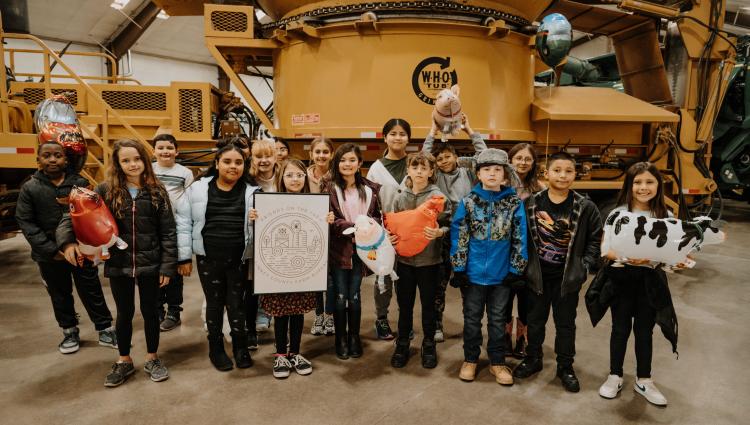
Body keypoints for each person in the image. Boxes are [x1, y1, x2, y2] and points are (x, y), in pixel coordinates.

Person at [58, 139, 176, 387]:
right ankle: (124, 360)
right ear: (118, 164)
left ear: (145, 160)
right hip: (118, 264)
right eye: (126, 160)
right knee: (124, 313)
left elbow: (168, 232)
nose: (133, 164)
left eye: (137, 159)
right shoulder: (104, 190)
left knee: (151, 312)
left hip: (150, 264)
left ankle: (153, 358)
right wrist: (68, 243)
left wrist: (167, 266)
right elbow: (72, 217)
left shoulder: (157, 191)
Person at [16, 141, 117, 354]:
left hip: (81, 251)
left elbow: (89, 215)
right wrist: (52, 250)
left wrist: (88, 244)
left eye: (57, 155)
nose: (53, 159)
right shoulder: (30, 188)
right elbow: (26, 223)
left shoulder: (78, 183)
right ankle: (69, 331)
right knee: (59, 293)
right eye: (47, 156)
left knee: (91, 290)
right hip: (49, 256)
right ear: (38, 160)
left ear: (65, 159)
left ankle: (105, 328)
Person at [513, 151, 602, 393]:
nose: (562, 175)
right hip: (537, 276)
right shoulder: (531, 203)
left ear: (575, 174)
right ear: (546, 173)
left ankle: (565, 367)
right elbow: (520, 237)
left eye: (568, 171)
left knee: (566, 325)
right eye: (557, 170)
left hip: (567, 279)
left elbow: (595, 239)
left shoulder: (585, 207)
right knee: (535, 321)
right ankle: (533, 359)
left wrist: (584, 266)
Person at [593, 162, 678, 407]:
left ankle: (645, 379)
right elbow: (605, 248)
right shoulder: (618, 214)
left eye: (649, 182)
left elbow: (672, 251)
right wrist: (626, 257)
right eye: (637, 182)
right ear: (629, 186)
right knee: (619, 329)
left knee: (645, 331)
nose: (643, 187)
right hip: (621, 279)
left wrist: (661, 258)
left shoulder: (666, 216)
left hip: (650, 281)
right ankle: (614, 375)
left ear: (658, 185)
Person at [176, 143, 257, 372]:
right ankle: (216, 348)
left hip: (239, 257)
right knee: (214, 303)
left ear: (244, 165)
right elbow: (183, 223)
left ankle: (240, 347)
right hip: (208, 258)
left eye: (239, 162)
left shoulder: (253, 191)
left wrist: (257, 218)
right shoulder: (198, 189)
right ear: (217, 164)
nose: (233, 166)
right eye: (228, 162)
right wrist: (183, 258)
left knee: (236, 304)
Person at [450, 149, 527, 385]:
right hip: (473, 276)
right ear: (478, 174)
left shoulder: (514, 202)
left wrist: (516, 270)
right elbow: (459, 234)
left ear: (505, 174)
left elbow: (519, 237)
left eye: (497, 169)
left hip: (501, 277)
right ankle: (470, 359)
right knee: (471, 319)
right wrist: (459, 268)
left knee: (496, 320)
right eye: (486, 169)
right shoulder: (469, 202)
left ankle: (497, 362)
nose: (492, 174)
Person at [254, 159, 335, 378]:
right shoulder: (269, 202)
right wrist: (255, 218)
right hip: (277, 272)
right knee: (281, 314)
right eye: (290, 175)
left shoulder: (314, 203)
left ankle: (296, 352)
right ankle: (281, 354)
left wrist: (326, 220)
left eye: (300, 175)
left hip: (303, 271)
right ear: (281, 178)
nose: (295, 179)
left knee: (298, 312)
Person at [422, 114, 486, 342]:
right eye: (439, 159)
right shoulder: (435, 175)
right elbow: (423, 156)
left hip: (467, 233)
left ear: (457, 157)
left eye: (448, 156)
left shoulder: (469, 172)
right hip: (440, 232)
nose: (443, 161)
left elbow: (484, 156)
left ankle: (471, 325)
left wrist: (470, 130)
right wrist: (432, 130)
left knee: (468, 282)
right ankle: (437, 325)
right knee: (439, 282)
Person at [389, 152, 451, 369]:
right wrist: (391, 236)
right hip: (404, 262)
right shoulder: (400, 197)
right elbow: (392, 225)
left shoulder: (438, 197)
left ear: (431, 172)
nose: (419, 172)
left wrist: (440, 232)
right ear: (408, 170)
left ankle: (428, 344)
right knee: (404, 306)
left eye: (424, 168)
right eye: (415, 167)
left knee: (429, 307)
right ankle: (403, 343)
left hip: (430, 263)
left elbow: (450, 224)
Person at [327, 143, 382, 359]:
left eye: (352, 160)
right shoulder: (330, 187)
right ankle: (340, 338)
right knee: (341, 296)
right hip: (339, 250)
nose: (347, 164)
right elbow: (331, 218)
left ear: (359, 163)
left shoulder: (370, 189)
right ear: (337, 163)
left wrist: (368, 226)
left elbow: (378, 217)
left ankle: (354, 337)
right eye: (342, 160)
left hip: (362, 249)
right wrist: (353, 227)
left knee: (356, 295)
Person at [365, 118, 410, 340]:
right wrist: (381, 233)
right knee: (383, 276)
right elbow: (371, 204)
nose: (397, 137)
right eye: (393, 133)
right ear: (385, 137)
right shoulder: (376, 168)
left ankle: (406, 320)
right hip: (385, 234)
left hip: (411, 234)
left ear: (408, 138)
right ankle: (381, 319)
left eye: (402, 134)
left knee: (407, 280)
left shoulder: (415, 164)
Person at [504, 143, 545, 358]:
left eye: (527, 159)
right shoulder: (500, 185)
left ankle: (522, 339)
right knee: (504, 297)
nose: (522, 162)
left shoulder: (539, 188)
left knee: (526, 299)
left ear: (533, 163)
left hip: (530, 251)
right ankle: (504, 339)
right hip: (503, 251)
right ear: (510, 160)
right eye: (518, 158)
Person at [151, 133, 194, 331]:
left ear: (176, 151)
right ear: (153, 151)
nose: (165, 151)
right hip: (153, 228)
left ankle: (174, 312)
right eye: (160, 148)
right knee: (156, 271)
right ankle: (157, 309)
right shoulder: (148, 170)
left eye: (169, 148)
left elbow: (188, 200)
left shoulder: (184, 172)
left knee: (174, 274)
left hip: (176, 228)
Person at [307, 137, 336, 336]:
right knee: (315, 277)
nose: (321, 155)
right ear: (311, 154)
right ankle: (318, 314)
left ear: (331, 154)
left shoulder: (337, 176)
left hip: (333, 234)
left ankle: (329, 314)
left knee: (332, 278)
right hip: (310, 235)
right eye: (317, 152)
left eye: (325, 151)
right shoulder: (303, 175)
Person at [249, 139, 278, 332]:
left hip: (278, 236)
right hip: (255, 237)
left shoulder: (283, 177)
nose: (264, 160)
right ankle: (257, 314)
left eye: (268, 156)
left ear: (276, 157)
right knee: (254, 278)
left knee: (273, 276)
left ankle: (268, 313)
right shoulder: (248, 181)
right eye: (259, 156)